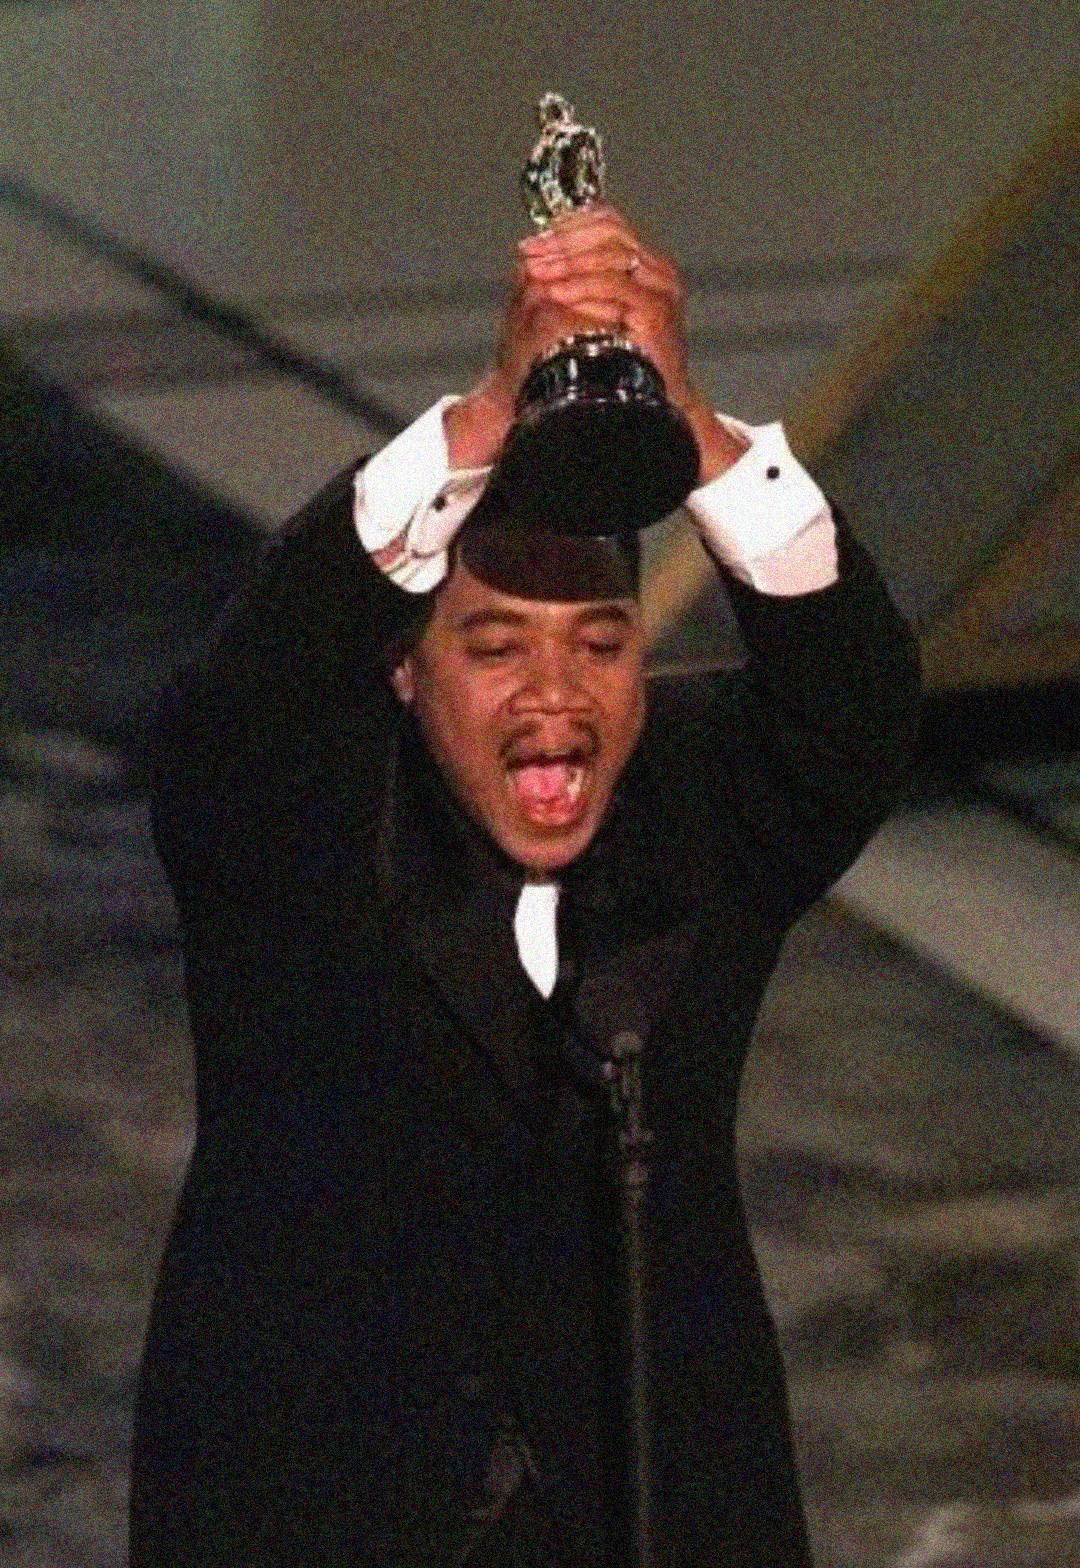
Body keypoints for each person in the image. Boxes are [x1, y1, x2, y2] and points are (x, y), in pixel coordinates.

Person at [129, 205, 920, 1566]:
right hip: (317, 1514)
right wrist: (494, 413)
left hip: (652, 1509)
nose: (556, 694)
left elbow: (856, 703)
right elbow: (251, 691)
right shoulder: (301, 827)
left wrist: (690, 427)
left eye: (600, 644)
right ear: (404, 668)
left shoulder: (698, 810)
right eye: (495, 647)